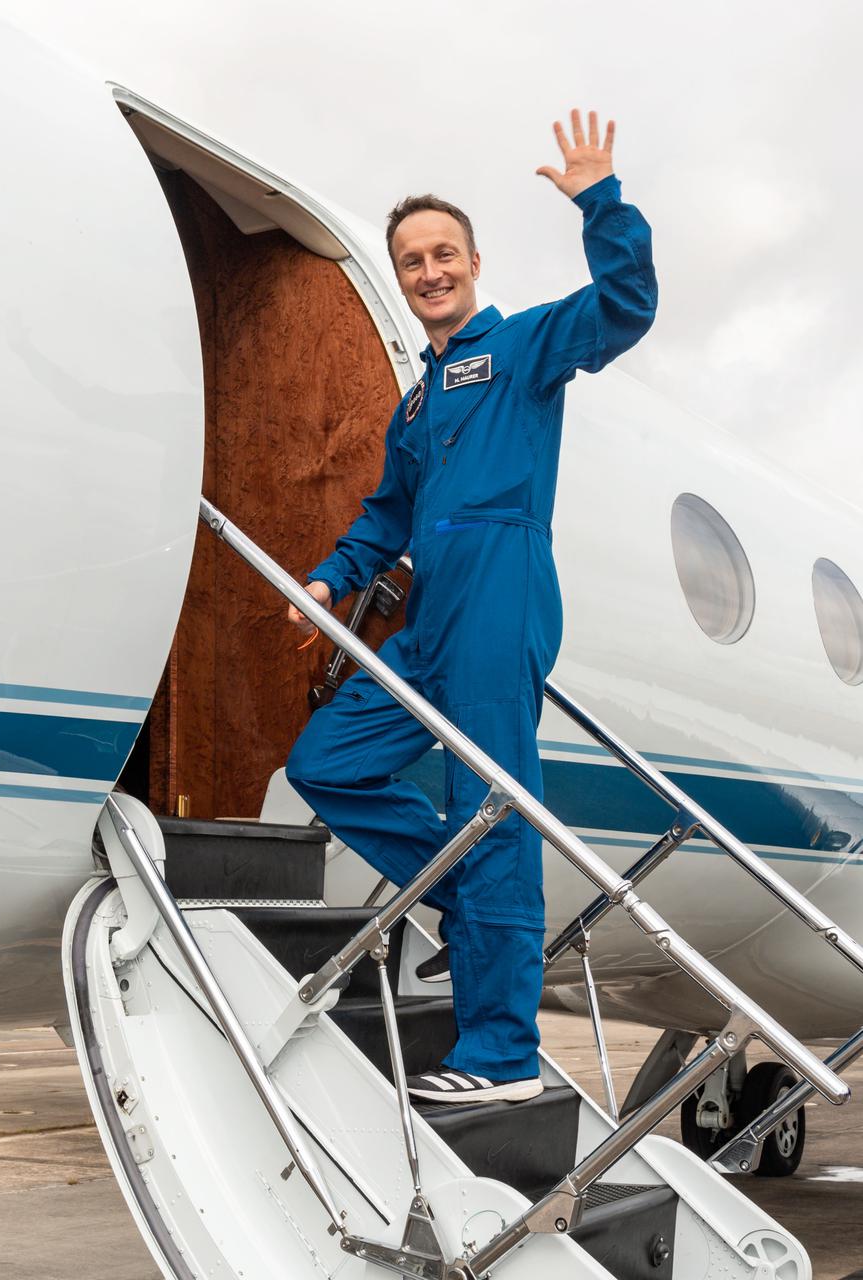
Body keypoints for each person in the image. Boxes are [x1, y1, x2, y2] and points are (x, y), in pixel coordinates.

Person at [285, 110, 657, 1104]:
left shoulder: (528, 345)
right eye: (411, 260)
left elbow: (626, 304)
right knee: (327, 761)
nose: (428, 271)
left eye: (443, 252)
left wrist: (601, 203)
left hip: (502, 596)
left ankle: (498, 1052)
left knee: (490, 809)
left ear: (474, 262)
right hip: (431, 616)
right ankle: (465, 899)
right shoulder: (418, 401)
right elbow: (385, 515)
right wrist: (329, 577)